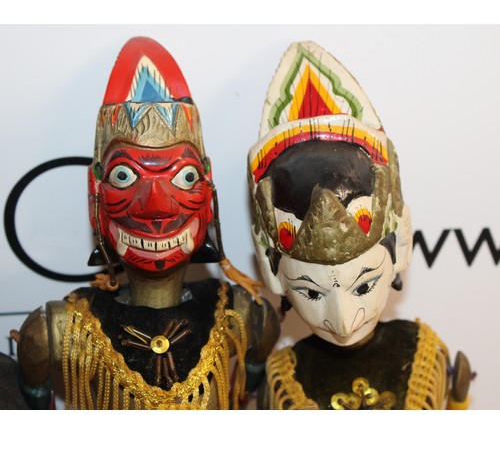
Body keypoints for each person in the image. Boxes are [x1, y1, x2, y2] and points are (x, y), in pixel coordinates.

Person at [12, 37, 279, 410]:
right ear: (94, 193)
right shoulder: (58, 331)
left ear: (208, 188)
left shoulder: (245, 317)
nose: (156, 206)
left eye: (184, 177)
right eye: (124, 176)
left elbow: (252, 379)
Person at [247, 41, 473, 410]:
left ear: (401, 244)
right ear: (272, 272)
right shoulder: (285, 380)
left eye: (364, 286)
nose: (344, 322)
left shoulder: (422, 355)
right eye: (312, 293)